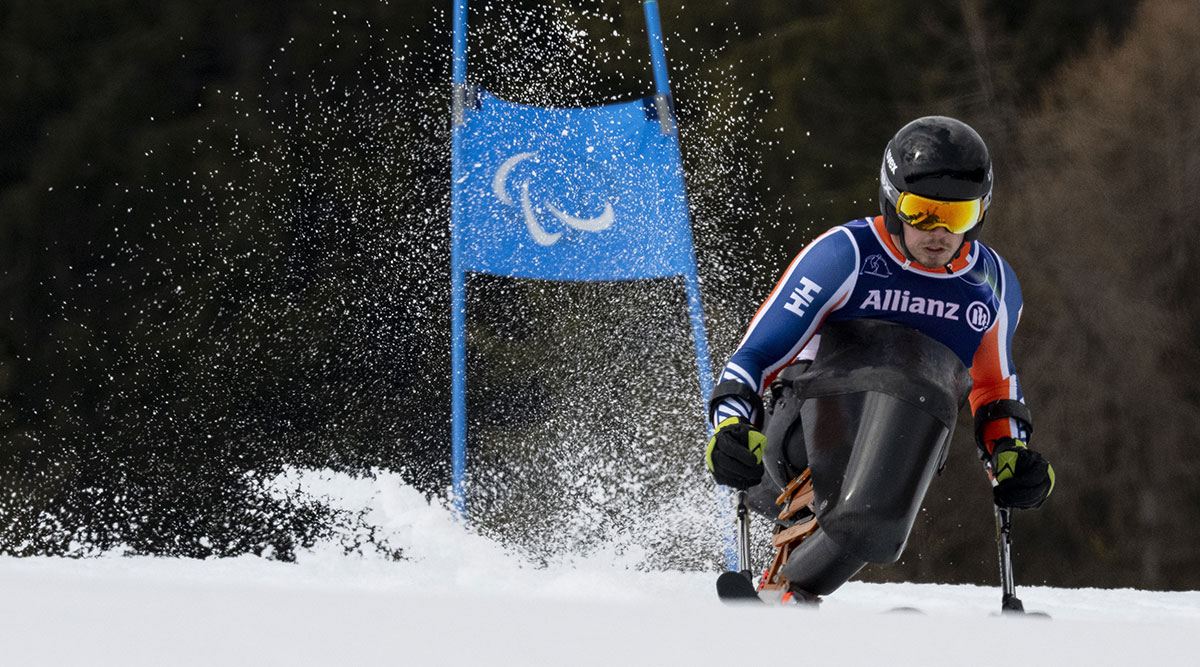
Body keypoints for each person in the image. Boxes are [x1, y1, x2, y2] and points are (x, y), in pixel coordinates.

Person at [704, 116, 1055, 600]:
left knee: (883, 498)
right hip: (799, 436)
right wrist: (729, 429)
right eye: (922, 213)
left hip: (895, 449)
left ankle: (789, 591)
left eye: (957, 217)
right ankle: (795, 575)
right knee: (900, 370)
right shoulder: (846, 256)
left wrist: (1010, 454)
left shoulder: (990, 284)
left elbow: (995, 387)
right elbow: (757, 354)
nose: (939, 233)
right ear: (892, 203)